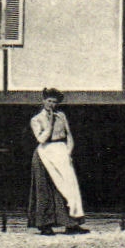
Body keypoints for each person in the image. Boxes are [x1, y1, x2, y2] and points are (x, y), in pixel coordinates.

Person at [28, 88, 88, 235]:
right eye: (49, 101)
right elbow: (41, 139)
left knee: (69, 187)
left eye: (54, 102)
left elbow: (69, 135)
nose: (52, 104)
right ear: (43, 101)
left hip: (61, 152)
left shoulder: (61, 116)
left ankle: (71, 224)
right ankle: (45, 225)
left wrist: (68, 153)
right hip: (45, 153)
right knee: (45, 188)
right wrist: (49, 123)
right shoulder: (36, 119)